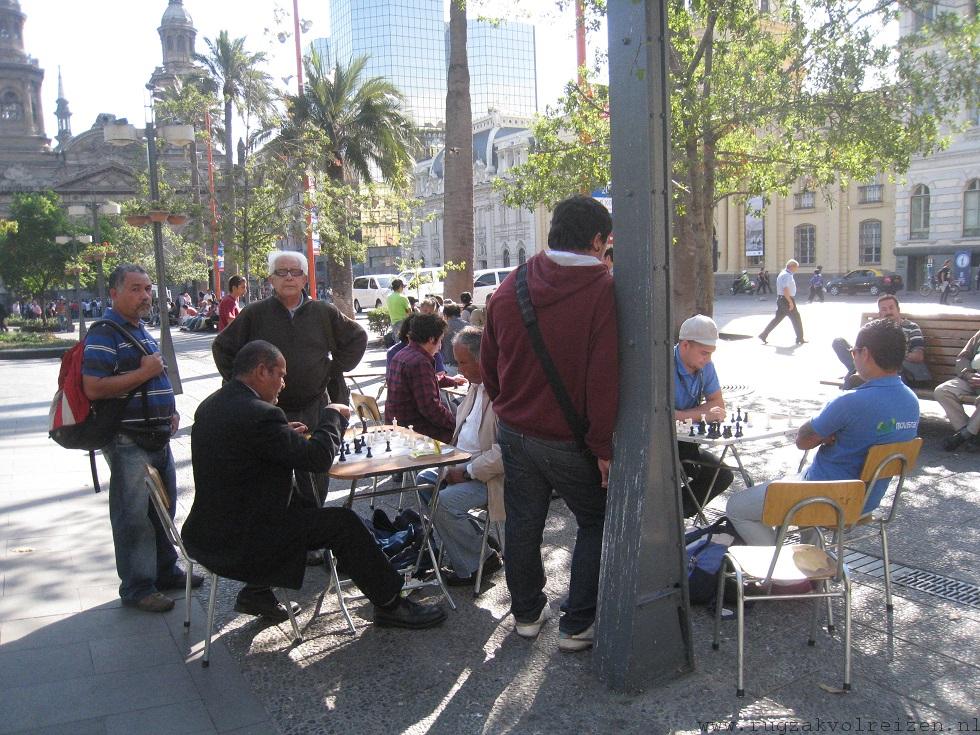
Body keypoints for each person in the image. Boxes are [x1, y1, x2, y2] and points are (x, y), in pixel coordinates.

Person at [182, 341, 445, 628]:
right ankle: (390, 604)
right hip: (246, 535)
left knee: (304, 505)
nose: (283, 384)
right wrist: (331, 415)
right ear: (261, 371)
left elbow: (244, 449)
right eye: (280, 375)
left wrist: (282, 436)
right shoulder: (260, 414)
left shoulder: (215, 403)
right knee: (343, 523)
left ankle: (256, 592)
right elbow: (318, 459)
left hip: (211, 528)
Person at [481, 194, 618, 653]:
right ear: (598, 240)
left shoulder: (512, 283)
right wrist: (603, 449)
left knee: (523, 521)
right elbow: (604, 377)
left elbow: (489, 361)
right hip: (568, 439)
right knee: (597, 520)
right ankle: (577, 624)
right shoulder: (601, 289)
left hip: (515, 432)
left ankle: (525, 614)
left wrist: (508, 407)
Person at [728, 319, 920, 559]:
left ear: (866, 354)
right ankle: (812, 568)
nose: (853, 356)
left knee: (736, 507)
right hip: (866, 500)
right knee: (799, 492)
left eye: (854, 351)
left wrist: (828, 428)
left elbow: (803, 440)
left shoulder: (850, 402)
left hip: (823, 496)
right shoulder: (911, 402)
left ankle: (778, 568)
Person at [81, 264, 198, 613]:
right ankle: (137, 586)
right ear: (114, 293)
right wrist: (145, 372)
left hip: (156, 435)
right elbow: (94, 387)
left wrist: (168, 409)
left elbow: (150, 380)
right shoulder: (105, 332)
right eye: (135, 289)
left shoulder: (137, 328)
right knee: (133, 516)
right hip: (127, 439)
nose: (145, 295)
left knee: (163, 509)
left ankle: (164, 571)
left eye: (147, 288)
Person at [213, 250, 367, 507]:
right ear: (271, 279)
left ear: (305, 279)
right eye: (281, 272)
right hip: (270, 411)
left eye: (295, 272)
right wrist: (242, 388)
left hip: (313, 405)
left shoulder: (322, 311)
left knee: (316, 477)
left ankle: (313, 534)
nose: (289, 278)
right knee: (272, 478)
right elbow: (222, 347)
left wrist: (332, 368)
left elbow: (357, 337)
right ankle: (283, 535)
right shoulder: (255, 313)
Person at [417, 327, 504, 585]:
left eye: (463, 362)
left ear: (482, 359)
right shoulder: (475, 388)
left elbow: (505, 452)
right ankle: (474, 542)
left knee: (442, 503)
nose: (459, 369)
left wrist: (466, 472)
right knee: (423, 479)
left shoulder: (501, 393)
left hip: (491, 478)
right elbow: (462, 431)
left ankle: (479, 561)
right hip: (463, 464)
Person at [673, 315, 734, 517]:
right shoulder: (663, 365)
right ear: (685, 346)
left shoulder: (705, 366)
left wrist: (683, 415)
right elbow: (663, 417)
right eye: (704, 353)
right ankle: (668, 516)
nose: (708, 359)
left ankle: (672, 515)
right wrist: (701, 413)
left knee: (722, 475)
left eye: (710, 354)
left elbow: (718, 406)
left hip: (686, 442)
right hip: (661, 445)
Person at [384, 313, 457, 443]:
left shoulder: (401, 354)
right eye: (440, 340)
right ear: (431, 339)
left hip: (397, 427)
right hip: (415, 433)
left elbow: (421, 383)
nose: (440, 346)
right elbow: (430, 408)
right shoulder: (420, 362)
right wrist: (456, 425)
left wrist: (450, 380)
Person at [832, 294, 931, 389]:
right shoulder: (875, 330)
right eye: (884, 309)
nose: (888, 312)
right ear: (879, 314)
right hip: (872, 365)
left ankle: (856, 373)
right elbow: (861, 351)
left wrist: (891, 355)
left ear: (898, 310)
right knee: (839, 342)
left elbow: (918, 356)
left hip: (899, 370)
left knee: (856, 377)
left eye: (891, 308)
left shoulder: (911, 327)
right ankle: (857, 371)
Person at [934, 328, 980, 451]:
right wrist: (968, 374)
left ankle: (964, 436)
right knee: (942, 391)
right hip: (971, 378)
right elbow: (963, 358)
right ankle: (971, 434)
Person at [759, 259, 804, 345]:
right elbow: (785, 289)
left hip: (782, 299)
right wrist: (790, 302)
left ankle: (763, 335)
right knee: (796, 318)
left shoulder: (784, 273)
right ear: (791, 267)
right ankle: (800, 338)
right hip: (786, 299)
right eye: (796, 268)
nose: (796, 270)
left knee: (777, 319)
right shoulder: (786, 275)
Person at [440, 303, 467, 370]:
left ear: (445, 315)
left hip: (450, 364)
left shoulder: (444, 327)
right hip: (467, 364)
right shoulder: (468, 325)